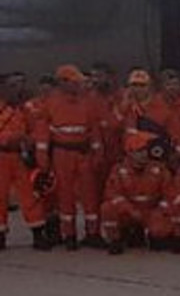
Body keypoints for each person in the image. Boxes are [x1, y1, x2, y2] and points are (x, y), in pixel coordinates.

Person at [35, 64, 104, 250]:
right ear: (63, 83)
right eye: (75, 83)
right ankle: (69, 235)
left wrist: (98, 153)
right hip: (62, 154)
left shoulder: (87, 102)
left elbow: (94, 130)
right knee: (65, 195)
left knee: (90, 194)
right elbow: (42, 134)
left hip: (83, 152)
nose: (78, 86)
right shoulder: (51, 103)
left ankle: (93, 233)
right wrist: (43, 160)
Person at [99, 131, 176, 254]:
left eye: (145, 150)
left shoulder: (160, 169)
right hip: (129, 213)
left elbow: (170, 194)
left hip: (151, 212)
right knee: (107, 208)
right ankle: (115, 240)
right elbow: (112, 194)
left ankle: (148, 235)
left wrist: (159, 211)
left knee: (160, 233)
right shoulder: (118, 170)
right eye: (139, 151)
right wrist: (131, 210)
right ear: (130, 153)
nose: (144, 154)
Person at [1, 79, 48, 250]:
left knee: (31, 194)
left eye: (19, 85)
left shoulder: (26, 109)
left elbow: (36, 129)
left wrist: (29, 141)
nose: (17, 89)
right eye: (12, 86)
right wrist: (9, 139)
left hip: (21, 157)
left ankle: (38, 233)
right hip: (2, 156)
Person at [114, 68, 180, 163]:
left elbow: (177, 136)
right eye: (134, 85)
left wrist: (175, 155)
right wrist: (123, 108)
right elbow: (114, 132)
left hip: (156, 160)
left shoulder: (163, 108)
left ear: (151, 87)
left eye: (142, 85)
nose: (137, 89)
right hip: (129, 161)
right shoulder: (122, 108)